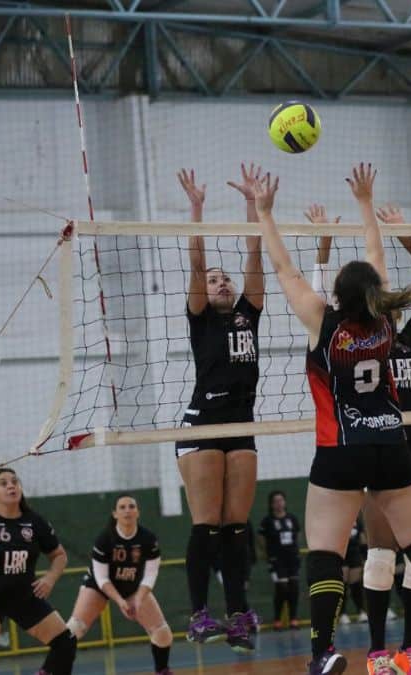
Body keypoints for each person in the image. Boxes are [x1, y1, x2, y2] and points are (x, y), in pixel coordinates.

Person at [249, 163, 411, 675]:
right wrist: (366, 204)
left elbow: (283, 269)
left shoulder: (322, 322)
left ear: (337, 296)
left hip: (341, 450)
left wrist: (265, 213)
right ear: (373, 294)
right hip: (392, 446)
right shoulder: (386, 322)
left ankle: (323, 653)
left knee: (325, 551)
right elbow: (376, 254)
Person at [306, 202, 411, 674]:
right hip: (374, 446)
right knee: (381, 550)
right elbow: (321, 305)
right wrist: (324, 244)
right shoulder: (359, 335)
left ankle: (410, 649)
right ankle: (378, 652)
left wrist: (407, 238)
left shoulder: (409, 337)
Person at [174, 165, 264, 651]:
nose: (222, 282)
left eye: (225, 278)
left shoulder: (249, 314)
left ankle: (238, 616)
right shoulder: (201, 318)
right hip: (203, 423)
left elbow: (255, 252)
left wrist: (253, 204)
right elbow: (195, 265)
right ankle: (198, 616)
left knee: (235, 528)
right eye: (214, 280)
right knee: (206, 525)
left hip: (241, 424)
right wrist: (197, 207)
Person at [0, 468, 76, 675]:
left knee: (66, 643)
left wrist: (50, 578)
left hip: (24, 596)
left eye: (15, 481)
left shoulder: (35, 523)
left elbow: (59, 555)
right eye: (3, 483)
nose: (11, 486)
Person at [65, 495, 172, 675]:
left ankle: (162, 671)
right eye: (122, 507)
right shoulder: (104, 540)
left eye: (131, 506)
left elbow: (150, 574)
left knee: (162, 633)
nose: (127, 510)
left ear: (138, 512)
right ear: (115, 514)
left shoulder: (148, 539)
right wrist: (121, 602)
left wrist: (138, 599)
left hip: (132, 586)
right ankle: (52, 670)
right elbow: (102, 579)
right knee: (74, 628)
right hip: (99, 586)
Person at [258, 490, 303, 631]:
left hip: (292, 558)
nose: (279, 503)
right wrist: (268, 553)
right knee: (282, 588)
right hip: (277, 560)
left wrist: (295, 550)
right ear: (271, 504)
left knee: (294, 587)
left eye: (281, 500)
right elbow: (261, 538)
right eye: (276, 501)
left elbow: (298, 534)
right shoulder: (267, 521)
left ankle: (293, 619)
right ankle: (277, 620)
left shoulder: (292, 518)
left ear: (285, 502)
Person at [340, 514, 367, 625]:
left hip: (354, 552)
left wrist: (365, 557)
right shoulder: (337, 516)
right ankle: (342, 614)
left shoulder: (356, 519)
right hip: (341, 552)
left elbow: (362, 538)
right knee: (343, 583)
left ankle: (361, 611)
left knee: (356, 583)